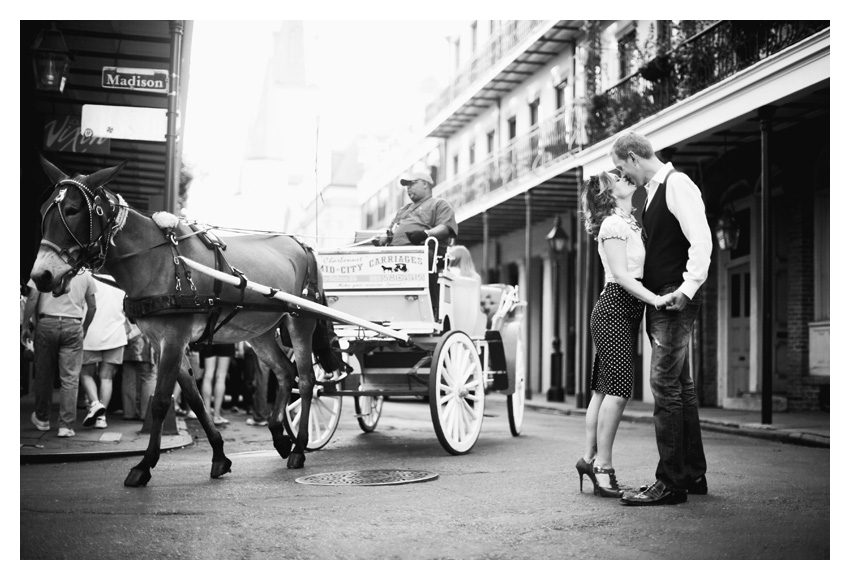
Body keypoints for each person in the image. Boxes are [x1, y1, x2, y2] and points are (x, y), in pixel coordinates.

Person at [611, 132, 712, 506]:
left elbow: (701, 240)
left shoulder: (676, 183)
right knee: (681, 387)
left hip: (673, 297)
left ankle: (670, 482)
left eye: (623, 168)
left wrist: (685, 290)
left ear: (635, 157)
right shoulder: (652, 192)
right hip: (664, 299)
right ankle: (692, 474)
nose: (625, 175)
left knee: (664, 384)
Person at [576, 171, 674, 498]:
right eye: (616, 178)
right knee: (617, 391)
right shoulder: (613, 225)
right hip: (615, 307)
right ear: (609, 192)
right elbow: (620, 275)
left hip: (623, 311)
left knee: (603, 391)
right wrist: (656, 299)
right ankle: (603, 466)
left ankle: (588, 458)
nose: (624, 177)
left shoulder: (630, 221)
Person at [21, 271, 97, 438]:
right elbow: (92, 306)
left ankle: (42, 419)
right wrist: (83, 329)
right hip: (73, 324)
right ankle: (66, 426)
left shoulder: (43, 270)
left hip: (47, 323)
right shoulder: (84, 274)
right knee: (70, 378)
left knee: (44, 375)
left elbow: (32, 298)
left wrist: (26, 326)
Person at [79, 275, 128, 430]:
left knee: (85, 373)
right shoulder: (121, 280)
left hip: (90, 334)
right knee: (107, 378)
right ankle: (101, 417)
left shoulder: (87, 277)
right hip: (115, 335)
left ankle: (95, 403)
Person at [374, 172, 458, 248]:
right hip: (394, 254)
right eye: (407, 185)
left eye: (411, 184)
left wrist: (425, 234)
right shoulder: (403, 210)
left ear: (425, 184)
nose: (408, 188)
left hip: (421, 252)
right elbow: (390, 231)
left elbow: (445, 228)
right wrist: (384, 238)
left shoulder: (439, 203)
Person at [122, 319, 157, 420]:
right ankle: (146, 414)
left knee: (128, 378)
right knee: (148, 377)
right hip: (146, 341)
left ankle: (129, 413)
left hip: (128, 341)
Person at [198, 342, 235, 426]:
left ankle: (207, 416)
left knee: (208, 375)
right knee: (221, 377)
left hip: (210, 338)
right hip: (226, 338)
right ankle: (217, 416)